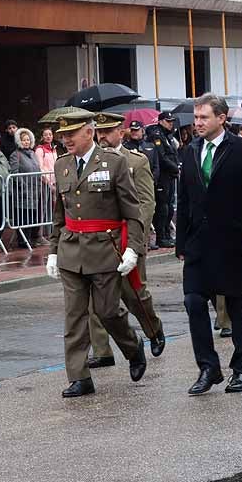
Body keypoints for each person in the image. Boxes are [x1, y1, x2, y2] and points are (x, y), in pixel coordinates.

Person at [45, 108, 147, 398]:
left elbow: (132, 211)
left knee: (107, 312)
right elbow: (59, 213)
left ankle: (133, 347)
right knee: (74, 317)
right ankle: (79, 377)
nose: (66, 139)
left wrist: (133, 250)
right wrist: (53, 250)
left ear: (89, 132)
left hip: (104, 250)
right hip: (71, 251)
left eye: (71, 133)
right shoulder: (62, 164)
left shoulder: (114, 163)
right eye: (63, 134)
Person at [176, 93, 242, 395]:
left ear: (221, 119)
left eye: (203, 117)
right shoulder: (190, 151)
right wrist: (181, 242)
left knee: (235, 304)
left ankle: (241, 369)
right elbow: (185, 199)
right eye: (196, 117)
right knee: (193, 301)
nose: (197, 122)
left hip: (233, 241)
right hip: (198, 243)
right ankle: (208, 367)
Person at [88, 112, 165, 368]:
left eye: (107, 132)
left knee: (133, 294)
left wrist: (135, 239)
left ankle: (153, 330)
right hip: (100, 240)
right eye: (99, 132)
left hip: (126, 236)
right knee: (97, 299)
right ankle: (102, 350)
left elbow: (145, 202)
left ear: (120, 133)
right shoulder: (92, 162)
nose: (102, 137)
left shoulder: (136, 161)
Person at [9, 127, 45, 246]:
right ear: (19, 141)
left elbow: (38, 169)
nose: (26, 142)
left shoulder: (33, 154)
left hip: (35, 191)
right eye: (24, 140)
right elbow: (14, 173)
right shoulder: (16, 155)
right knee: (24, 217)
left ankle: (32, 239)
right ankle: (23, 240)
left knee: (33, 217)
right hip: (22, 193)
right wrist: (22, 187)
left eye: (28, 140)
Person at [151, 112, 179, 249]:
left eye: (172, 121)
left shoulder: (168, 135)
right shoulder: (157, 135)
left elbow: (172, 153)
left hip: (170, 175)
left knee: (169, 206)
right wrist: (175, 167)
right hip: (162, 176)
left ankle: (167, 234)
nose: (171, 123)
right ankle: (161, 237)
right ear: (161, 121)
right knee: (163, 207)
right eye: (168, 121)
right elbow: (162, 157)